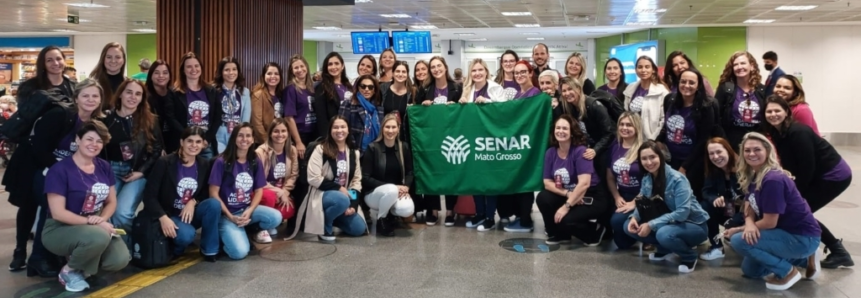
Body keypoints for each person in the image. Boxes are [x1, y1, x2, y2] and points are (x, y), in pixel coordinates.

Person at [5, 46, 76, 274]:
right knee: (28, 204)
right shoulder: (31, 87)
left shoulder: (72, 87)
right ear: (42, 64)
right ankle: (19, 251)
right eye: (49, 60)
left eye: (58, 59)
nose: (55, 63)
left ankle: (48, 252)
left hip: (58, 153)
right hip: (30, 154)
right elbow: (26, 120)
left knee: (53, 205)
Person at [763, 96, 854, 269]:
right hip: (819, 174)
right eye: (769, 111)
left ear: (786, 112)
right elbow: (790, 163)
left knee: (799, 211)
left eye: (777, 110)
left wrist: (795, 194)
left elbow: (807, 167)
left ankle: (838, 251)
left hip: (834, 175)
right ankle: (832, 251)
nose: (773, 114)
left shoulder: (798, 132)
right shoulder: (778, 132)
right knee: (797, 210)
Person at [726, 132, 821, 291]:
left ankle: (788, 272)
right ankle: (804, 260)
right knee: (751, 271)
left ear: (768, 151)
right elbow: (749, 205)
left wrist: (740, 228)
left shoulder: (772, 179)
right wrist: (749, 223)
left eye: (757, 149)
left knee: (738, 240)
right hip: (783, 233)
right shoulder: (754, 174)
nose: (751, 154)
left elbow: (770, 222)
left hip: (801, 237)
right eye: (747, 150)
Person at [42, 121, 129, 292]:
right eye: (89, 139)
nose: (94, 145)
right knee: (98, 237)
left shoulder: (103, 166)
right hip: (60, 227)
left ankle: (82, 260)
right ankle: (68, 271)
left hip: (94, 225)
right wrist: (95, 223)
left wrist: (102, 218)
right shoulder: (59, 170)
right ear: (78, 140)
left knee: (119, 260)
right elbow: (58, 213)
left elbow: (112, 201)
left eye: (99, 141)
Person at [624, 140, 709, 273]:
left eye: (652, 157)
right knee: (628, 226)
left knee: (663, 233)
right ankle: (664, 249)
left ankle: (689, 256)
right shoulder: (647, 178)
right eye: (644, 159)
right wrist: (634, 217)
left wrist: (651, 224)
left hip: (693, 225)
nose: (649, 162)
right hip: (669, 223)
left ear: (660, 157)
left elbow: (682, 213)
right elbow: (642, 201)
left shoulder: (678, 179)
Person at [141, 127, 219, 262]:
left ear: (203, 144)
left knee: (213, 204)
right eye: (190, 141)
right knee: (186, 235)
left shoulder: (204, 164)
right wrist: (162, 217)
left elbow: (205, 192)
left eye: (198, 142)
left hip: (189, 214)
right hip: (169, 214)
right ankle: (175, 248)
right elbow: (149, 195)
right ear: (182, 142)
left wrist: (193, 201)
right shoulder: (165, 162)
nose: (194, 145)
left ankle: (209, 250)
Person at [101, 79, 163, 245]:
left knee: (122, 212)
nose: (133, 97)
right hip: (110, 170)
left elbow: (157, 150)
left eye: (138, 94)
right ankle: (118, 249)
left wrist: (141, 171)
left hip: (136, 172)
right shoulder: (106, 119)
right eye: (129, 92)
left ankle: (129, 246)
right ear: (120, 93)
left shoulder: (150, 120)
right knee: (108, 212)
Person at [209, 123, 282, 259]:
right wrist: (230, 217)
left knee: (275, 217)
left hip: (245, 210)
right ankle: (224, 237)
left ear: (253, 139)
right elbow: (213, 193)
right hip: (227, 214)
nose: (244, 139)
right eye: (240, 135)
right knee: (239, 253)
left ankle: (246, 231)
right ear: (234, 138)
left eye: (248, 136)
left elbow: (259, 190)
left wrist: (250, 210)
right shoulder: (221, 161)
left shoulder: (254, 160)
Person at [288, 116, 367, 241]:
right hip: (320, 194)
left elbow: (356, 181)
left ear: (348, 130)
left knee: (358, 229)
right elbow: (313, 178)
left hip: (344, 197)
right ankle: (325, 226)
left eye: (342, 127)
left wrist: (353, 204)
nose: (339, 130)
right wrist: (339, 188)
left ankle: (332, 216)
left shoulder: (353, 153)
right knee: (341, 199)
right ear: (330, 130)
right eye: (335, 127)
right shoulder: (320, 149)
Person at [537, 115, 609, 246]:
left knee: (566, 219)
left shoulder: (580, 151)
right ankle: (559, 234)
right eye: (558, 128)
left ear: (572, 132)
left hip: (590, 195)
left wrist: (566, 206)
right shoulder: (551, 152)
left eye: (565, 128)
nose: (560, 131)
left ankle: (594, 232)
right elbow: (547, 183)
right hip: (570, 192)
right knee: (543, 198)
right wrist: (567, 194)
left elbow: (584, 183)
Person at [420, 56, 461, 226]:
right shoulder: (425, 88)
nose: (436, 69)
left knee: (450, 171)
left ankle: (451, 210)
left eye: (439, 66)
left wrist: (456, 106)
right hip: (431, 138)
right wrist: (423, 105)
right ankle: (433, 210)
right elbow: (418, 112)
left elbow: (464, 111)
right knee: (431, 171)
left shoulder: (457, 88)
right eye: (433, 67)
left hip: (452, 135)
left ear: (445, 67)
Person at [361, 114, 415, 236]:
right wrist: (394, 187)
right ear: (382, 128)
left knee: (407, 209)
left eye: (393, 127)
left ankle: (391, 215)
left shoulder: (404, 147)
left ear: (398, 129)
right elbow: (365, 178)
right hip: (373, 195)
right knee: (391, 190)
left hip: (396, 192)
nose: (390, 131)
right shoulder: (372, 148)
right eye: (387, 127)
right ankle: (382, 220)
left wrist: (406, 186)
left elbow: (410, 172)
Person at [171, 52, 221, 160]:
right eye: (189, 66)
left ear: (201, 68)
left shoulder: (212, 91)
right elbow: (172, 118)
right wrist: (187, 137)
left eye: (196, 66)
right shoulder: (175, 93)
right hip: (184, 143)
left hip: (205, 144)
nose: (193, 69)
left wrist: (206, 139)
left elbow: (217, 118)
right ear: (183, 70)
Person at [255, 119, 299, 236]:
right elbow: (258, 180)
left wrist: (285, 191)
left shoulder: (292, 150)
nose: (280, 134)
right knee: (270, 197)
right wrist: (279, 192)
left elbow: (294, 175)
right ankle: (260, 229)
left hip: (282, 191)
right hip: (264, 190)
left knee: (289, 209)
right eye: (276, 131)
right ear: (270, 133)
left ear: (288, 133)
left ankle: (271, 222)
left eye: (283, 131)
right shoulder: (260, 152)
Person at [607, 112, 645, 250]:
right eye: (621, 124)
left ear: (636, 127)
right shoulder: (614, 145)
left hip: (643, 197)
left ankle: (648, 232)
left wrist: (635, 202)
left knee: (617, 222)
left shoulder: (644, 148)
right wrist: (617, 196)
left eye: (629, 125)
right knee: (621, 244)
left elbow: (653, 182)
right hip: (622, 195)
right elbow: (610, 176)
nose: (624, 128)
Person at [699, 137, 741, 261]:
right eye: (711, 154)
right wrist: (714, 199)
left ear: (728, 150)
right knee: (705, 206)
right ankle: (716, 247)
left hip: (746, 213)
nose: (716, 157)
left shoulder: (743, 169)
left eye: (719, 152)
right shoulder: (713, 170)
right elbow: (706, 191)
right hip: (728, 209)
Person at [715, 51, 766, 148]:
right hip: (732, 142)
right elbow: (716, 119)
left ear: (752, 66)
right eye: (735, 65)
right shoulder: (725, 89)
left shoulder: (763, 90)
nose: (739, 67)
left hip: (758, 141)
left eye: (743, 63)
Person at [623, 56, 670, 140]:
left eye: (647, 67)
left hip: (652, 139)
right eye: (640, 67)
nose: (643, 70)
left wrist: (653, 139)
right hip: (632, 138)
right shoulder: (630, 88)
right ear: (636, 70)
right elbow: (626, 113)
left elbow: (664, 119)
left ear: (653, 70)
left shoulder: (662, 91)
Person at [214, 57, 252, 153]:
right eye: (227, 70)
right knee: (221, 161)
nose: (231, 73)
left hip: (237, 132)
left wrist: (243, 134)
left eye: (234, 69)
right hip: (219, 131)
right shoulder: (214, 90)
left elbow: (246, 117)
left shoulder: (244, 91)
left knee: (235, 161)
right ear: (221, 72)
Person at [339, 74, 383, 152]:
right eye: (363, 86)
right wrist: (352, 148)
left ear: (375, 90)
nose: (366, 89)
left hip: (375, 150)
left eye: (370, 87)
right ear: (358, 88)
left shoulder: (379, 108)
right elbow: (341, 128)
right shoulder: (348, 104)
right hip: (354, 149)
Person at [283, 54, 316, 157]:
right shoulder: (290, 89)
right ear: (292, 71)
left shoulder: (312, 88)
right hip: (300, 135)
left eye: (302, 66)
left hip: (314, 134)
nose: (300, 69)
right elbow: (289, 118)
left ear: (306, 67)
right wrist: (298, 142)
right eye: (296, 67)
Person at [314, 52, 352, 138]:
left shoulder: (349, 86)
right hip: (332, 133)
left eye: (336, 63)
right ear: (326, 68)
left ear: (342, 66)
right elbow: (321, 117)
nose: (333, 67)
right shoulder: (321, 87)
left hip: (347, 132)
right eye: (330, 64)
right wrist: (326, 138)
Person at [145, 60, 177, 152]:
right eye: (156, 73)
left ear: (170, 75)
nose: (161, 76)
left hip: (174, 143)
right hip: (153, 144)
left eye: (165, 73)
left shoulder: (175, 94)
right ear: (150, 75)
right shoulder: (145, 97)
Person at [251, 62, 284, 144]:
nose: (273, 76)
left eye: (276, 74)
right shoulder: (258, 95)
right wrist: (267, 142)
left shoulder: (282, 94)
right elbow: (257, 124)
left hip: (280, 139)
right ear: (263, 76)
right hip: (264, 142)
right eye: (269, 73)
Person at [88, 42, 128, 106]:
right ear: (103, 59)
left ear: (123, 60)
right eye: (109, 57)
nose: (113, 61)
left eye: (117, 57)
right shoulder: (92, 84)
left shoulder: (128, 84)